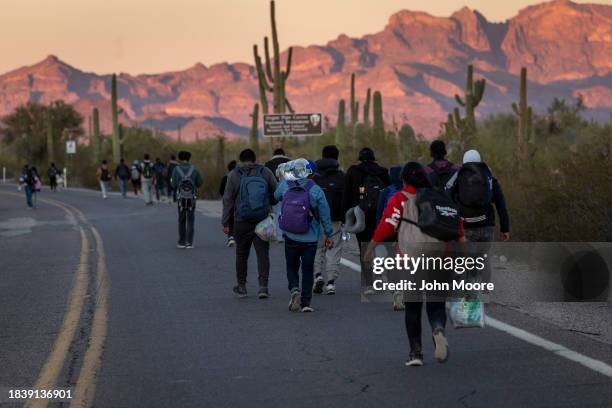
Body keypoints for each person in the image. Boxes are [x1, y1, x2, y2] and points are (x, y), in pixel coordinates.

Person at [368, 162, 461, 366]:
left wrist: (371, 246)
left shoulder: (400, 199)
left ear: (404, 180)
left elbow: (387, 225)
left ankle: (416, 353)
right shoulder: (438, 197)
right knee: (436, 305)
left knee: (412, 308)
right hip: (439, 257)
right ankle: (438, 329)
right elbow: (456, 224)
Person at [275, 159, 334, 312]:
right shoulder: (316, 190)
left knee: (291, 265)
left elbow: (276, 196)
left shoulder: (285, 185)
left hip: (290, 234)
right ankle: (306, 303)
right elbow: (325, 214)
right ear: (310, 173)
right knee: (307, 269)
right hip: (310, 237)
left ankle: (295, 290)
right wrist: (329, 234)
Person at [222, 149, 277, 299]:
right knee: (263, 253)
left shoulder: (233, 174)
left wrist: (226, 222)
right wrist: (269, 202)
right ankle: (263, 287)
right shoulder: (265, 172)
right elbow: (276, 193)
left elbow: (228, 200)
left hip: (241, 220)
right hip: (264, 219)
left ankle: (241, 286)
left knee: (241, 254)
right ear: (255, 159)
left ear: (240, 159)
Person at [341, 147, 390, 293]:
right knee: (380, 245)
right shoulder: (383, 172)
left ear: (359, 158)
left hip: (360, 214)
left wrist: (345, 216)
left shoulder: (353, 172)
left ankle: (369, 284)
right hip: (380, 215)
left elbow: (346, 195)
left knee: (364, 248)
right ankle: (381, 276)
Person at [447, 150, 510, 243]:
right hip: (486, 225)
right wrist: (505, 228)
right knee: (484, 256)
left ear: (464, 163)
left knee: (468, 257)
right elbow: (501, 205)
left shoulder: (457, 179)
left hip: (465, 227)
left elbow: (447, 199)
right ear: (480, 162)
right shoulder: (490, 179)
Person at [312, 145, 345, 295]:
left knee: (317, 248)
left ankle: (318, 275)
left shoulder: (314, 176)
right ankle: (331, 282)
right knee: (334, 249)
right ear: (336, 158)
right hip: (335, 220)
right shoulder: (341, 176)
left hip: (316, 219)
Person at [170, 151, 203, 249]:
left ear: (179, 158)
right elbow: (200, 182)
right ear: (189, 158)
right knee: (191, 219)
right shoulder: (194, 169)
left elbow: (173, 184)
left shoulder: (176, 169)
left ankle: (181, 242)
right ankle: (189, 242)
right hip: (191, 198)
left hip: (181, 198)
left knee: (181, 219)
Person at [265, 148, 291, 242]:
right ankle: (288, 234)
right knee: (288, 212)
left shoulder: (268, 164)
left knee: (277, 213)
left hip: (274, 191)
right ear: (284, 154)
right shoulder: (290, 162)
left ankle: (280, 236)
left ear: (274, 154)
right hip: (289, 191)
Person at [219, 160, 237, 247]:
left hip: (229, 202)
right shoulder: (241, 177)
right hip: (239, 202)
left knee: (230, 219)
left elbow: (221, 191)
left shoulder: (225, 178)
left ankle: (231, 237)